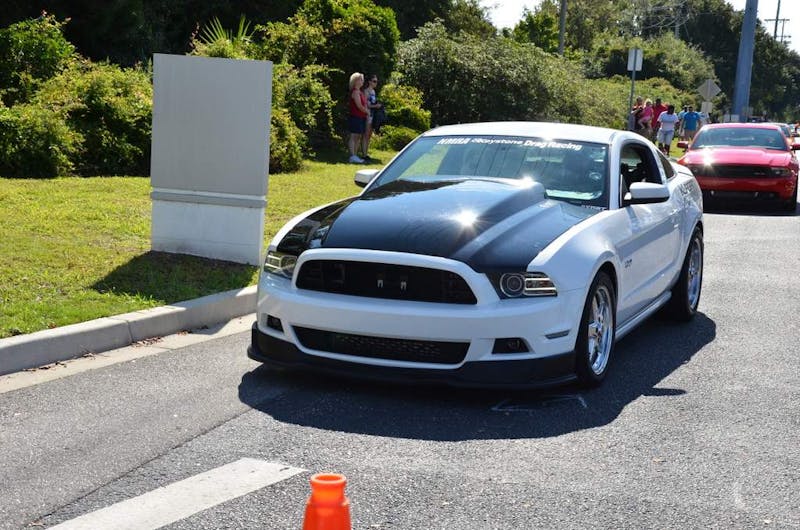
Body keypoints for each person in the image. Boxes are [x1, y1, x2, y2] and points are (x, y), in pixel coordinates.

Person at [347, 72, 369, 164]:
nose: (362, 81)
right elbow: (359, 105)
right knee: (354, 135)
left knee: (359, 136)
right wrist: (367, 111)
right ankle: (352, 155)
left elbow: (364, 104)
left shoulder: (361, 92)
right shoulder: (355, 92)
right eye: (360, 79)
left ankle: (355, 155)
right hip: (355, 116)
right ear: (355, 81)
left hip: (361, 117)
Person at [360, 74, 383, 162]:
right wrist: (376, 106)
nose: (375, 83)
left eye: (376, 81)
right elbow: (367, 104)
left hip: (373, 114)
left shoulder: (373, 91)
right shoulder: (366, 91)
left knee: (369, 135)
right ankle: (364, 154)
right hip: (368, 114)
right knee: (366, 134)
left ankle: (366, 153)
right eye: (374, 81)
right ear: (369, 82)